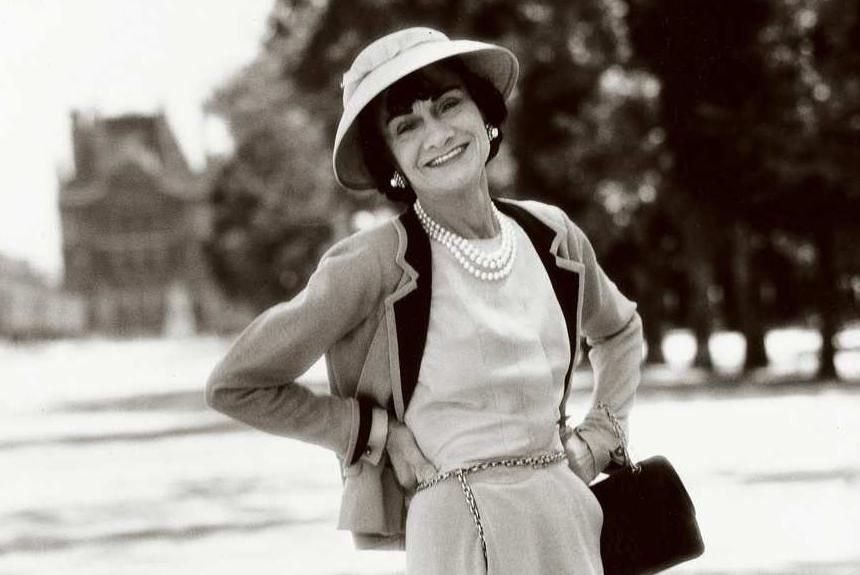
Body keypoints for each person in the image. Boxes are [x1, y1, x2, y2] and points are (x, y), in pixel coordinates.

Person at [206, 27, 643, 575]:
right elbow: (236, 385)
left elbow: (621, 330)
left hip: (568, 520)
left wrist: (600, 436)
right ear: (390, 159)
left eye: (448, 104)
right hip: (460, 532)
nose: (437, 134)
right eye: (406, 126)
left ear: (484, 113)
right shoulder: (371, 263)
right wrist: (374, 432)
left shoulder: (550, 236)